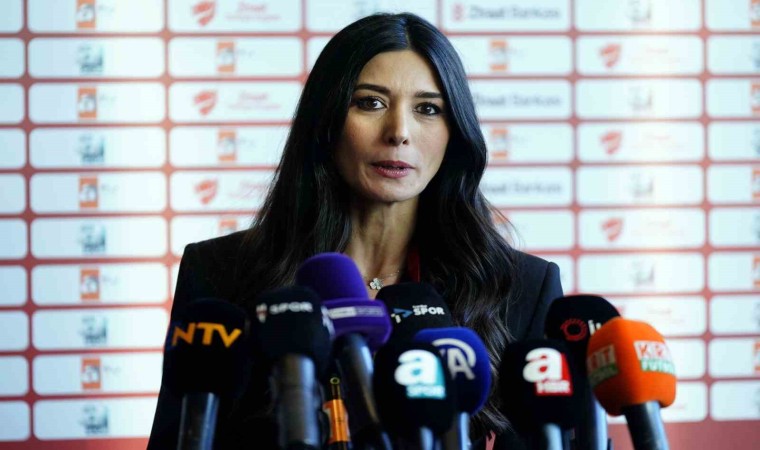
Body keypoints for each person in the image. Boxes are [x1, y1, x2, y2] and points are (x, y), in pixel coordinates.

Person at [148, 12, 562, 450]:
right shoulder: (219, 273)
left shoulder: (522, 287)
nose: (399, 132)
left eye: (427, 109)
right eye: (370, 103)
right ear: (325, 120)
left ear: (454, 132)